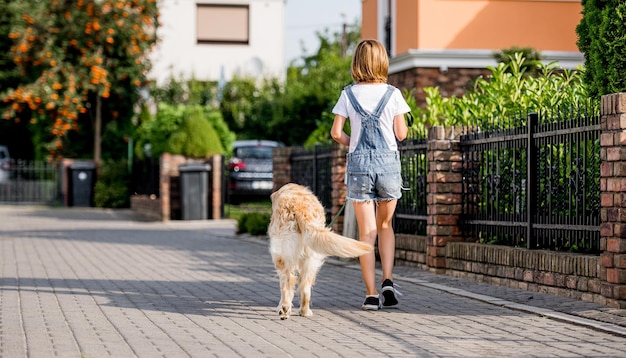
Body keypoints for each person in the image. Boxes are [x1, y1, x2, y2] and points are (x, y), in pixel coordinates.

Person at [330, 39, 410, 310]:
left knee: (367, 233)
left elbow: (335, 132)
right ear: (382, 62)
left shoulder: (348, 94)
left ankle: (371, 294)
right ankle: (388, 278)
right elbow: (401, 133)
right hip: (388, 165)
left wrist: (352, 142)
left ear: (357, 63)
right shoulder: (393, 93)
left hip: (359, 168)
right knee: (386, 226)